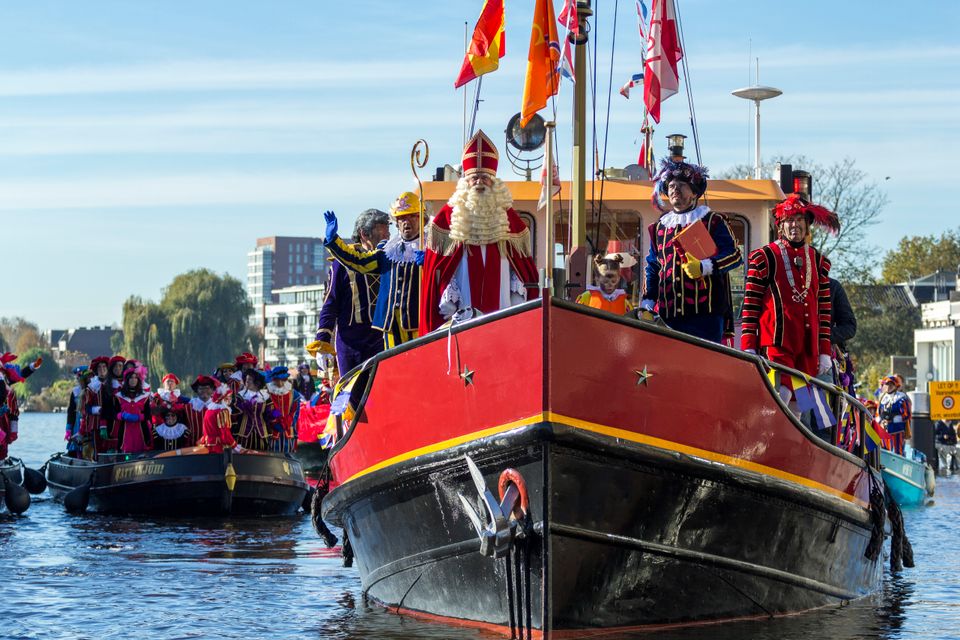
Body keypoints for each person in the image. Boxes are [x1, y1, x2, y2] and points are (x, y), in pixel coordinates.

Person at [420, 131, 539, 332]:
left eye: (485, 177)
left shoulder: (509, 219)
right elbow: (439, 270)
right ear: (465, 181)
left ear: (494, 181)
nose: (479, 182)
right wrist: (448, 296)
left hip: (502, 304)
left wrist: (517, 295)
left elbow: (520, 267)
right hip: (461, 308)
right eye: (474, 177)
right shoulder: (447, 218)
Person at [741, 195, 837, 406]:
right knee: (781, 394)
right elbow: (750, 305)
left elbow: (824, 311)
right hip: (777, 344)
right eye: (789, 220)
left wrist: (824, 350)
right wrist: (748, 345)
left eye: (799, 220)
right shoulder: (764, 257)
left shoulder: (819, 261)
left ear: (807, 225)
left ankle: (794, 429)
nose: (795, 225)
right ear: (781, 226)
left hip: (808, 347)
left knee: (801, 404)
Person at [640, 158, 742, 342]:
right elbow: (653, 267)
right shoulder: (659, 228)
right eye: (671, 186)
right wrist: (648, 300)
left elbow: (734, 255)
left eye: (682, 185)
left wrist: (705, 267)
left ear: (694, 192)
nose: (675, 189)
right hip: (667, 316)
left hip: (706, 318)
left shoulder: (712, 221)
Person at [323, 194, 424, 349]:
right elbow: (359, 262)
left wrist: (432, 261)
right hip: (390, 326)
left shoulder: (431, 246)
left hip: (419, 322)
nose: (406, 222)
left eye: (411, 216)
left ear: (421, 218)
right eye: (401, 218)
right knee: (394, 362)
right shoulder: (389, 250)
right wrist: (334, 242)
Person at [315, 208, 391, 374]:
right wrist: (322, 341)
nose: (388, 237)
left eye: (388, 232)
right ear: (364, 234)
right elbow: (331, 302)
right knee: (352, 388)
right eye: (382, 232)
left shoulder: (390, 258)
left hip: (382, 340)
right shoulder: (342, 263)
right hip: (351, 344)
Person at [0, 352, 41, 461]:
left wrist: (33, 367)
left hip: (3, 419)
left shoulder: (5, 380)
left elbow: (21, 375)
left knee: (3, 444)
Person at [114, 369, 153, 455]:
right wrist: (123, 415)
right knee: (126, 455)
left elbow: (148, 414)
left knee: (142, 454)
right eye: (131, 378)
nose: (133, 380)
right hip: (125, 429)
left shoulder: (145, 395)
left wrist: (139, 417)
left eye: (136, 378)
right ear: (127, 380)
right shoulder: (119, 395)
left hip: (141, 429)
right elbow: (114, 413)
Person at [265, 366, 302, 454]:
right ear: (273, 380)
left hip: (288, 429)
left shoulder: (294, 394)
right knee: (273, 454)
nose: (280, 383)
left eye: (283, 380)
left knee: (288, 453)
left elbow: (295, 411)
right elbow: (269, 408)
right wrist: (277, 421)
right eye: (277, 380)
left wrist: (288, 422)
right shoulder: (267, 393)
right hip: (272, 428)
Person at [196, 376, 237, 454]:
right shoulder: (223, 411)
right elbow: (225, 434)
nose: (230, 400)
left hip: (207, 445)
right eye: (228, 397)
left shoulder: (209, 410)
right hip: (219, 448)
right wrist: (235, 446)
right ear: (222, 399)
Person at [82, 355, 114, 455]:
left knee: (112, 447)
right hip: (96, 423)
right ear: (96, 370)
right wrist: (97, 409)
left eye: (104, 367)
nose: (102, 369)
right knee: (99, 450)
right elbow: (86, 408)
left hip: (112, 422)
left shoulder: (114, 384)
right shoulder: (91, 387)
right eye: (99, 367)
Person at [236, 368, 271, 450]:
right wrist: (243, 406)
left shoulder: (265, 396)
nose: (247, 381)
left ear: (257, 382)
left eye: (250, 379)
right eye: (246, 379)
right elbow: (235, 412)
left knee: (261, 454)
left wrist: (277, 414)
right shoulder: (240, 396)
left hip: (261, 434)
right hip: (244, 434)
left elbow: (269, 413)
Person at [878, 374, 911, 455]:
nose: (889, 386)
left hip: (897, 430)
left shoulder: (901, 397)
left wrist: (893, 419)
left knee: (897, 452)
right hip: (885, 429)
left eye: (891, 384)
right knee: (885, 451)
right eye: (887, 384)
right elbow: (879, 413)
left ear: (896, 386)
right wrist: (882, 421)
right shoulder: (883, 398)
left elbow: (907, 414)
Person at [64, 365, 89, 458]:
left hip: (89, 424)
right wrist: (68, 429)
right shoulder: (75, 392)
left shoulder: (92, 389)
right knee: (75, 448)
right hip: (77, 425)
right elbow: (71, 412)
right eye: (77, 377)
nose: (78, 379)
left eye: (80, 377)